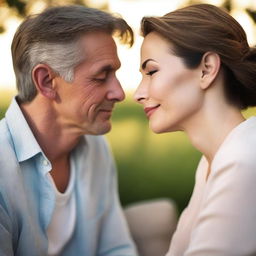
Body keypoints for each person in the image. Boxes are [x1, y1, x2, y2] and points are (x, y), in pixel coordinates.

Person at [0, 5, 138, 256]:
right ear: (46, 82)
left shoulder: (96, 148)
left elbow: (116, 248)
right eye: (101, 76)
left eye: (115, 74)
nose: (118, 93)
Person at [134, 3, 256, 256]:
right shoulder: (213, 161)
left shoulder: (243, 163)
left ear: (207, 69)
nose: (138, 94)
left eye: (152, 71)